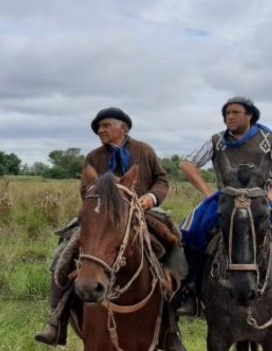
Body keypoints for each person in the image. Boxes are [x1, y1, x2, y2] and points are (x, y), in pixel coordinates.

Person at [35, 107, 187, 351]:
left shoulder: (144, 150)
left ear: (123, 128)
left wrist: (150, 197)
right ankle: (57, 320)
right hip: (101, 217)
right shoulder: (94, 157)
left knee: (175, 247)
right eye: (98, 127)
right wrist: (103, 197)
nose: (100, 130)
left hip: (141, 213)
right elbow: (87, 189)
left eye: (105, 125)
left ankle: (171, 329)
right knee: (63, 255)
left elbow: (162, 180)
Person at [177, 96, 272, 332]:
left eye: (235, 112)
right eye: (226, 113)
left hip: (263, 202)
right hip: (227, 203)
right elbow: (187, 164)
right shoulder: (217, 141)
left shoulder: (268, 140)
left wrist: (271, 196)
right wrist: (208, 193)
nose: (229, 117)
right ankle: (191, 295)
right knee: (191, 230)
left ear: (250, 115)